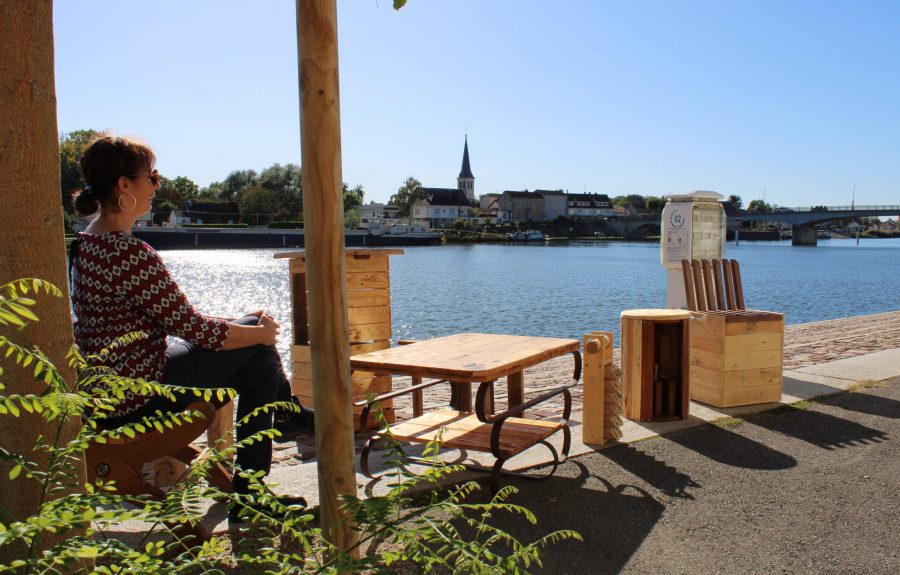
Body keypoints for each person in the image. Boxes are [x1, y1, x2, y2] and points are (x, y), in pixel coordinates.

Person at [68, 134, 313, 521]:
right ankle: (257, 481)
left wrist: (245, 325)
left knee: (249, 329)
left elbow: (182, 322)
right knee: (260, 359)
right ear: (124, 185)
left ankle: (285, 415)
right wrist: (263, 335)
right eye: (152, 176)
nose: (156, 186)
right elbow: (196, 331)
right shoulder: (128, 253)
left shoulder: (85, 243)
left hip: (110, 385)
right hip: (137, 393)